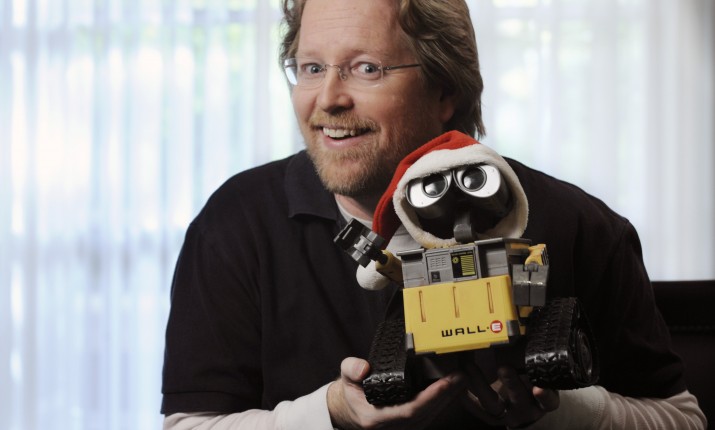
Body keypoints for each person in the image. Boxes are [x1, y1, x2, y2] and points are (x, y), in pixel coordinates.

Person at [160, 0, 707, 429]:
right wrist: (331, 412)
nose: (327, 99)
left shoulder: (576, 224)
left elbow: (681, 419)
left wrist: (562, 413)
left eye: (366, 68)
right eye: (311, 67)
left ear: (444, 89)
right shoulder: (235, 223)